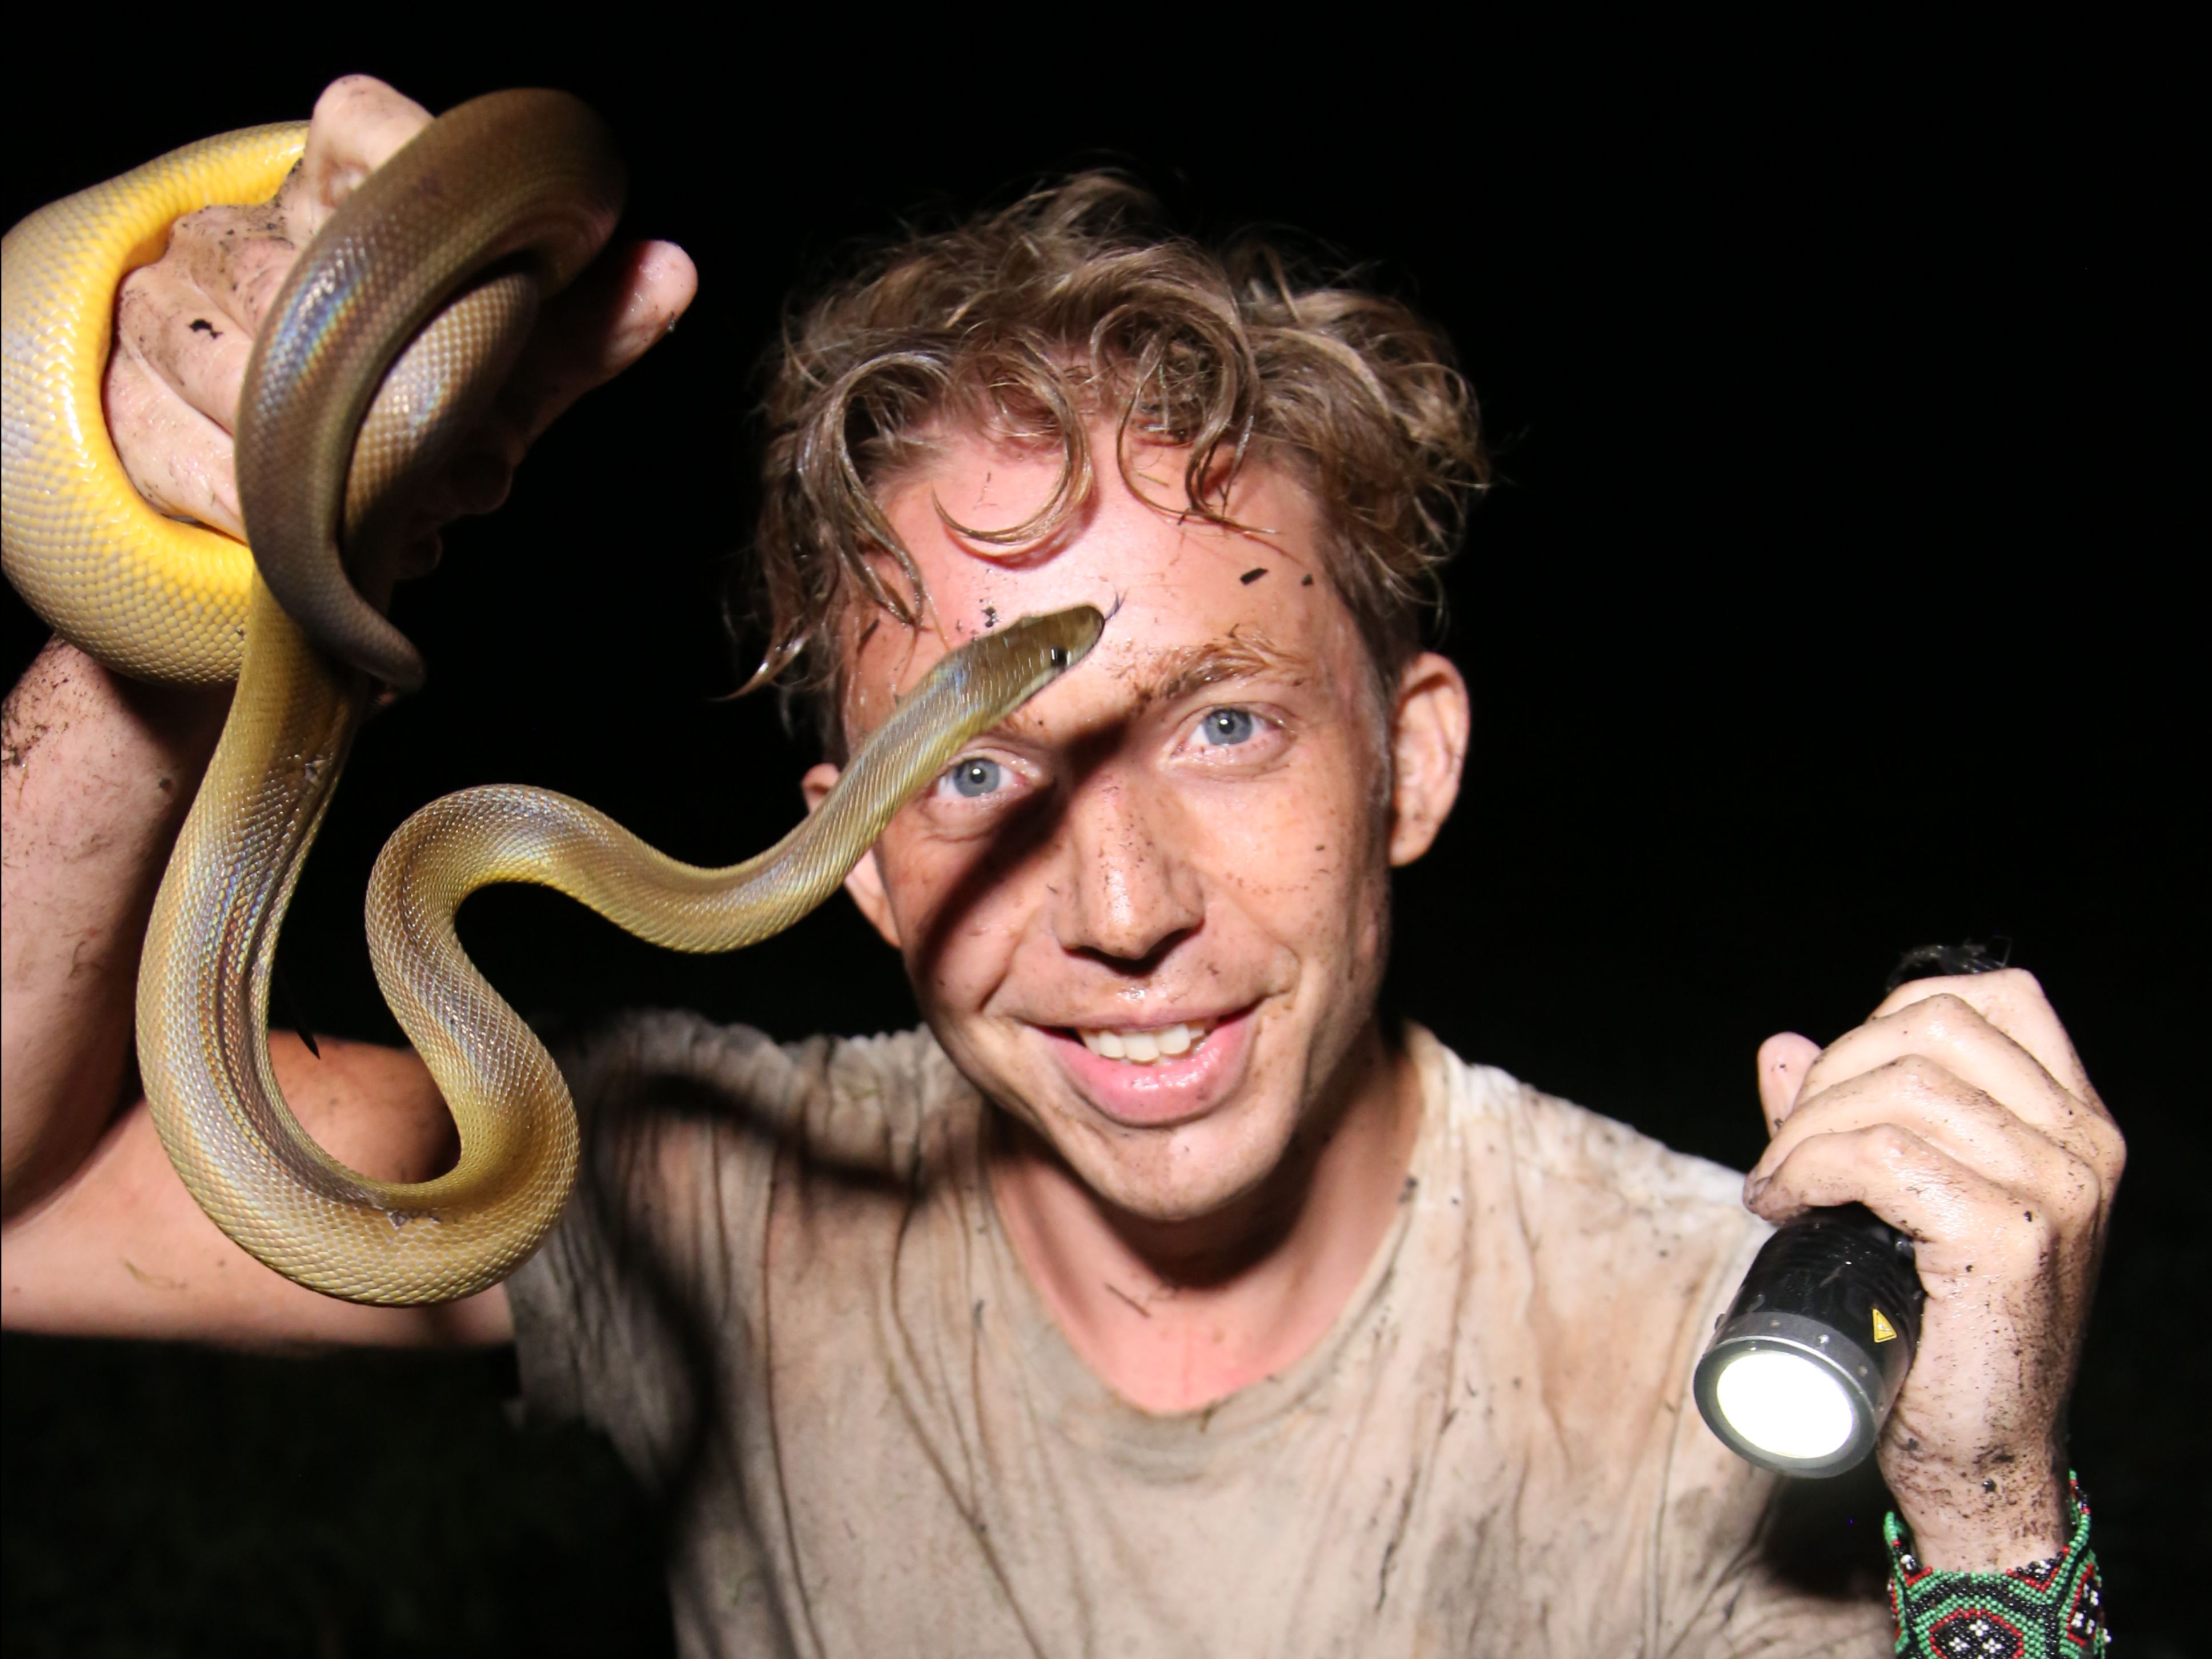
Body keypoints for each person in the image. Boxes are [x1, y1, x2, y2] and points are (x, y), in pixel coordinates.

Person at [1, 77, 2124, 1657]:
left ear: (1414, 758)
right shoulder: (701, 1197)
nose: (1125, 913)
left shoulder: (1713, 1346)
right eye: (983, 773)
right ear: (861, 859)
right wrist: (183, 590)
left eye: (1224, 724)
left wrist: (1988, 1521)